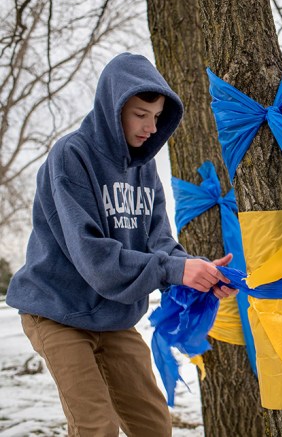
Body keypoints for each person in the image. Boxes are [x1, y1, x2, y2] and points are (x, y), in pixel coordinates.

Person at [6, 52, 236, 437]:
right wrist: (174, 269)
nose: (150, 127)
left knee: (153, 425)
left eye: (157, 117)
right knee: (96, 427)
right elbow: (94, 257)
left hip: (114, 316)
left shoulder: (144, 169)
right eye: (140, 114)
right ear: (113, 108)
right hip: (58, 310)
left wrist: (197, 275)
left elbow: (159, 241)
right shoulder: (71, 156)